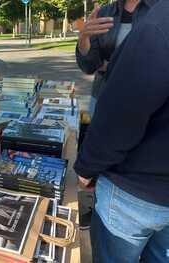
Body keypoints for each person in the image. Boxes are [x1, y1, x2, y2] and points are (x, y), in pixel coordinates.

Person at [74, 0, 169, 261]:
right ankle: (94, 206)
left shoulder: (157, 16)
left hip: (136, 159)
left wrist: (87, 168)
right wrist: (83, 40)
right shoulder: (107, 11)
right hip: (106, 103)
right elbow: (88, 64)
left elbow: (132, 103)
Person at [76, 0, 157, 116]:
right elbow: (90, 66)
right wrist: (83, 39)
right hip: (103, 97)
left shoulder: (161, 11)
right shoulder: (104, 12)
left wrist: (112, 65)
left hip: (147, 103)